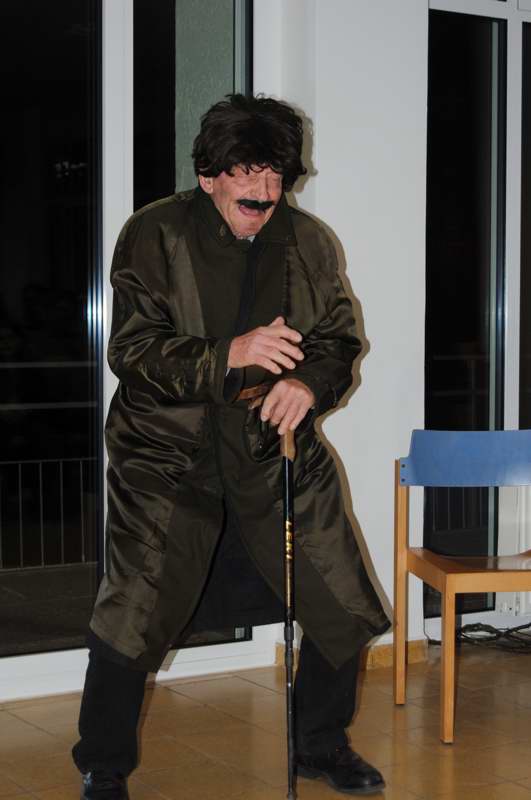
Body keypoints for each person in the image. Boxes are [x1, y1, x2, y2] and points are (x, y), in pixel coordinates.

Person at [73, 94, 390, 799]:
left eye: (277, 176)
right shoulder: (155, 232)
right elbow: (132, 351)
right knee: (135, 606)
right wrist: (229, 354)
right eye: (249, 174)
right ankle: (103, 762)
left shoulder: (308, 242)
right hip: (166, 452)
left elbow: (338, 342)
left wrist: (306, 384)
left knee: (338, 595)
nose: (265, 192)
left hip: (274, 446)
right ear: (209, 175)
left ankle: (320, 744)